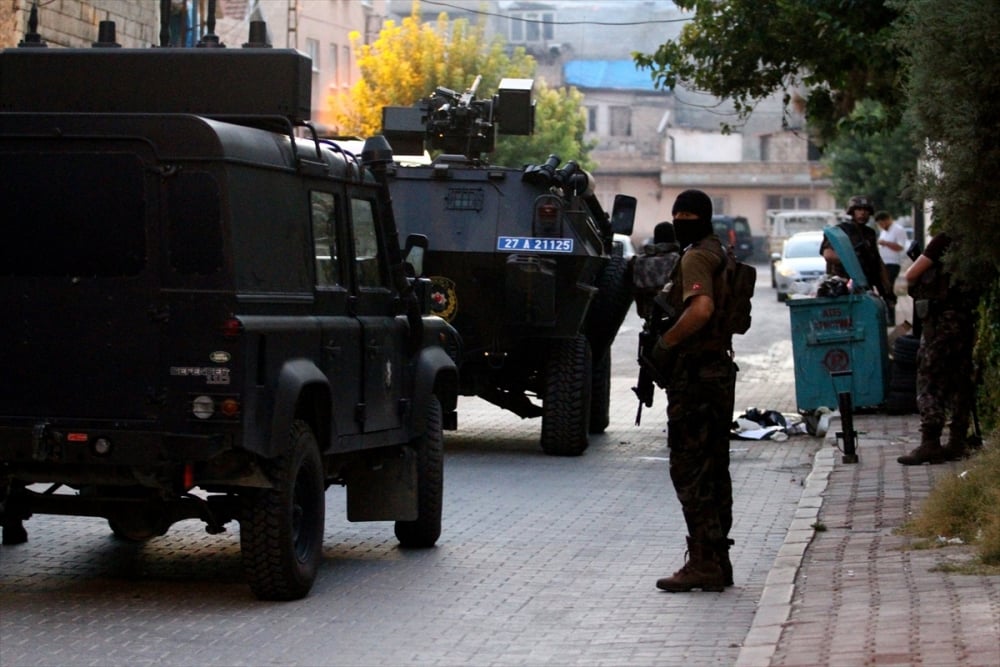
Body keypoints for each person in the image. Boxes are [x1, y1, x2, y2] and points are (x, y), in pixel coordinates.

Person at [651, 189, 737, 592]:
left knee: (689, 469)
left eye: (687, 214)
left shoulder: (696, 256)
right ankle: (718, 560)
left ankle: (704, 561)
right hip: (717, 370)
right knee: (714, 466)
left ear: (700, 218)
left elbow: (700, 309)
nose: (681, 219)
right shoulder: (719, 251)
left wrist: (666, 343)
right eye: (677, 213)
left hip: (697, 375)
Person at [897, 232, 979, 465]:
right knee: (960, 379)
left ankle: (930, 443)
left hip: (940, 323)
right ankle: (957, 442)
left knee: (929, 380)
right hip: (965, 322)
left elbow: (910, 275)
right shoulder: (975, 242)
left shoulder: (944, 240)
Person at [820, 195, 895, 309]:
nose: (863, 213)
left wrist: (887, 290)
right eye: (859, 209)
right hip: (841, 287)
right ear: (852, 212)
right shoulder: (841, 231)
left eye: (866, 210)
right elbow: (828, 255)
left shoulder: (869, 233)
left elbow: (877, 261)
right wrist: (853, 262)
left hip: (865, 286)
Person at [875, 210, 908, 325]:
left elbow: (900, 247)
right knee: (884, 289)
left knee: (888, 288)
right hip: (883, 263)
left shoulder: (897, 230)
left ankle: (891, 316)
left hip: (893, 263)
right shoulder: (884, 231)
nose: (881, 226)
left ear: (887, 220)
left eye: (881, 223)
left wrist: (886, 243)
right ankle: (888, 313)